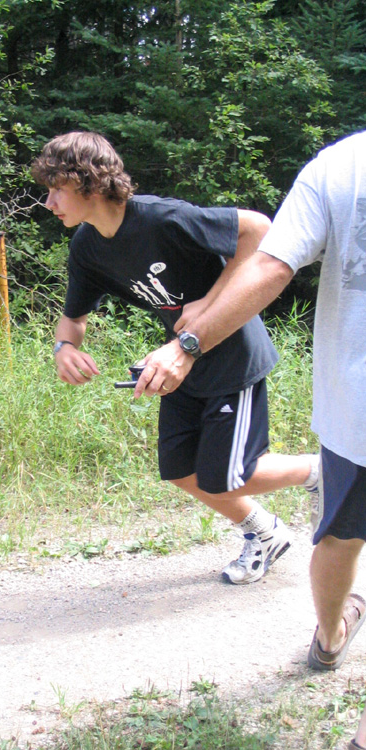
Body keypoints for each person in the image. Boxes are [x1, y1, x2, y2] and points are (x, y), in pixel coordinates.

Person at [31, 131, 318, 585]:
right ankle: (265, 534)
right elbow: (73, 319)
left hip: (232, 356)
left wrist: (210, 301)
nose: (48, 202)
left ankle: (325, 471)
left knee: (228, 476)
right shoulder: (87, 246)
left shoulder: (161, 218)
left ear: (88, 183)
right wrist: (64, 349)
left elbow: (259, 229)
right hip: (177, 363)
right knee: (182, 470)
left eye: (56, 189)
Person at [166, 130, 366, 749]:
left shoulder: (342, 165)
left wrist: (189, 342)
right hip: (351, 413)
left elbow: (272, 261)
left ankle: (330, 637)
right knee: (331, 535)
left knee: (338, 536)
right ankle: (329, 628)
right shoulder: (340, 165)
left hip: (352, 409)